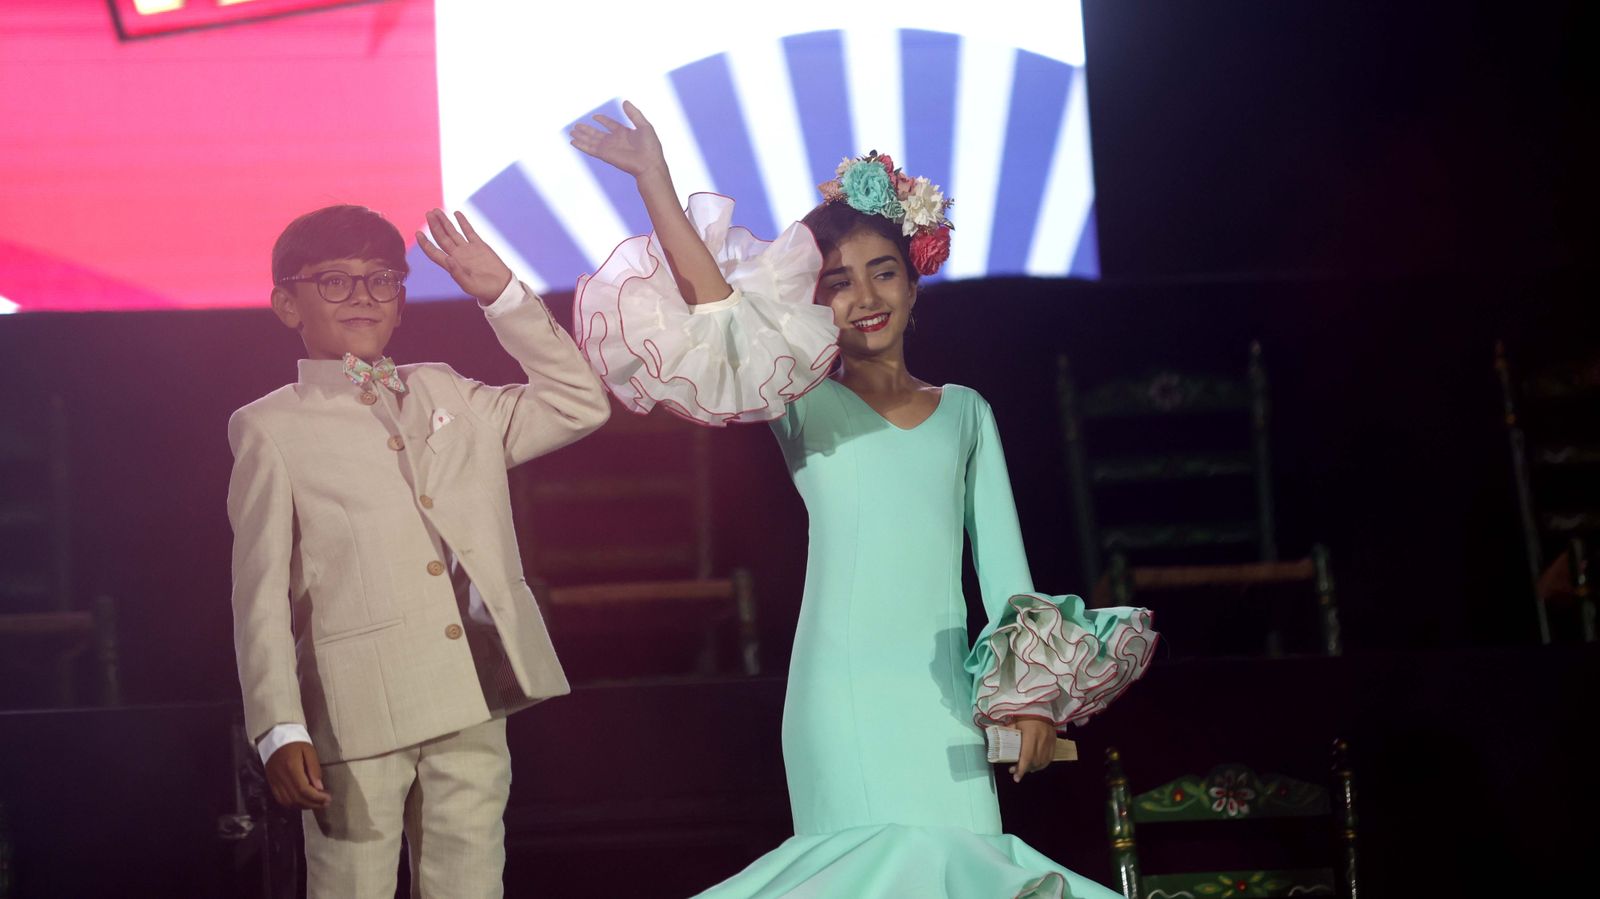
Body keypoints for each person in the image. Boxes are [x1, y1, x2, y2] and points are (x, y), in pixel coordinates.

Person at [571, 103, 1157, 897]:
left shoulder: (967, 411)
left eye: (883, 271)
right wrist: (656, 183)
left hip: (946, 690)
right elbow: (716, 302)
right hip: (839, 686)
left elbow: (1007, 573)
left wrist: (1033, 702)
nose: (865, 296)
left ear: (916, 284)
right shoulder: (800, 397)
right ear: (811, 304)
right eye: (837, 282)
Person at [226, 204, 609, 897]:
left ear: (402, 301)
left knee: (470, 882)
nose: (363, 296)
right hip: (356, 713)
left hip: (474, 689)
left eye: (380, 279)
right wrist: (279, 726)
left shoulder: (450, 392)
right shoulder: (270, 426)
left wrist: (503, 295)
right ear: (288, 302)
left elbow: (580, 402)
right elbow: (258, 599)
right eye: (335, 282)